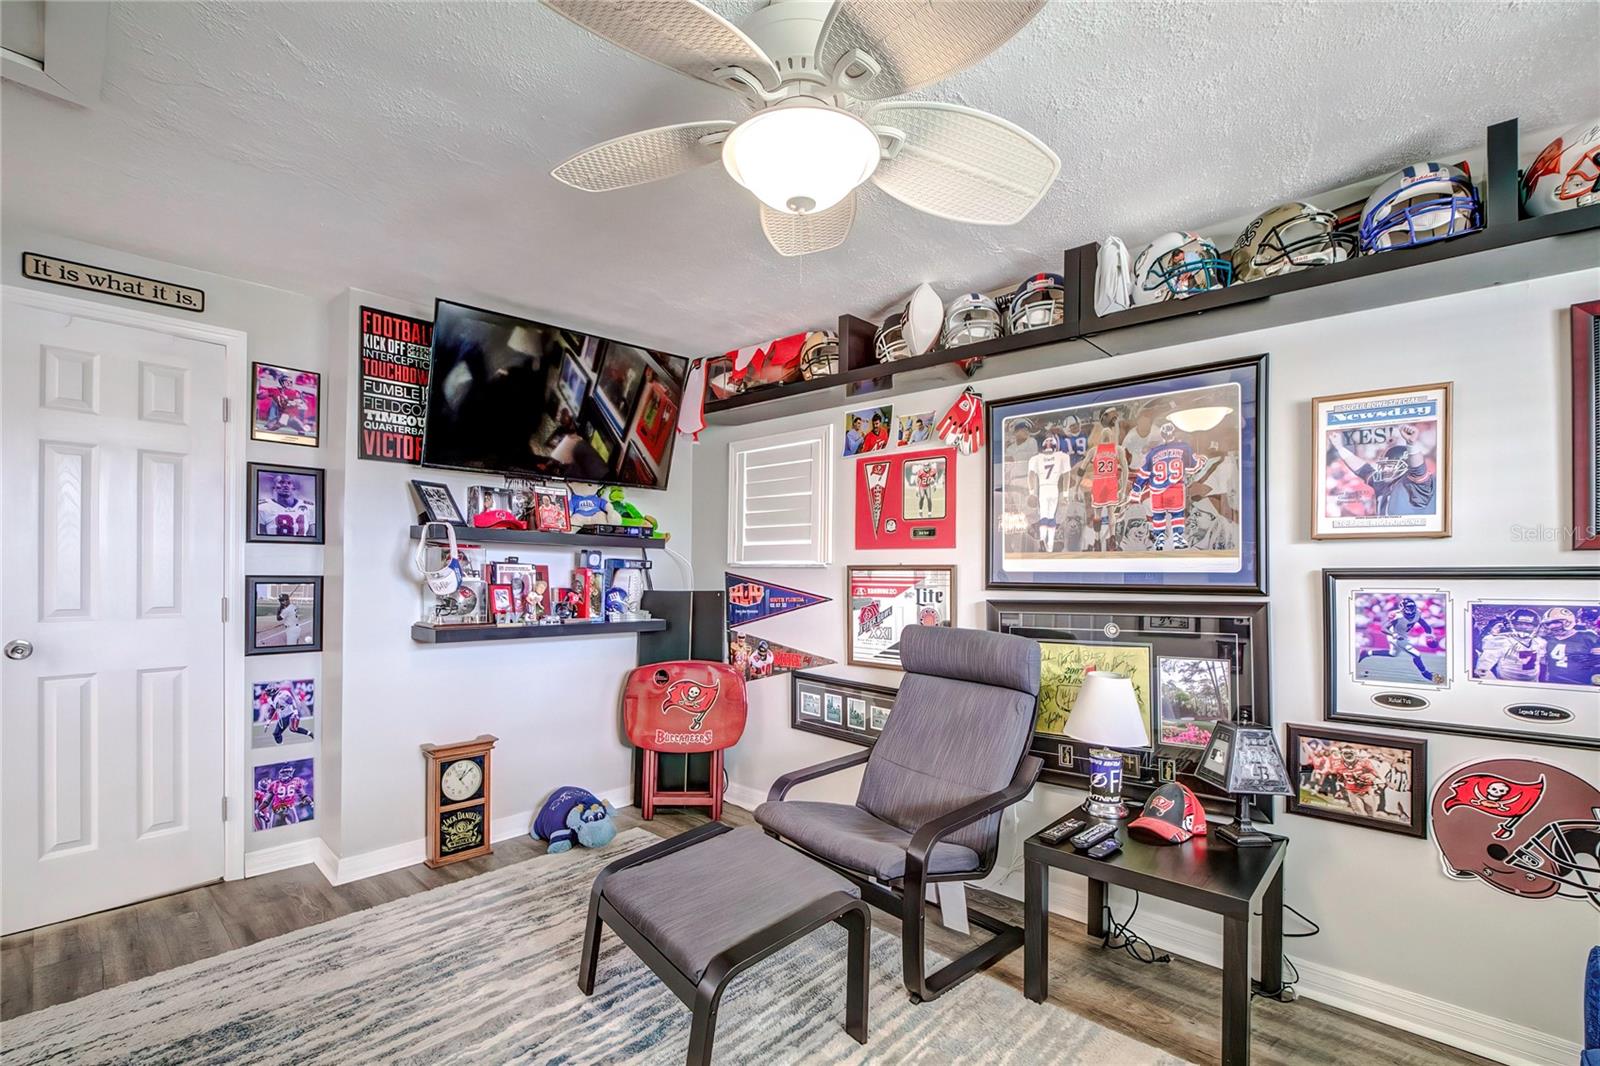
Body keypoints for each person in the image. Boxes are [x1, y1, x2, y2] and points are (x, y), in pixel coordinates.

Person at [1126, 418, 1207, 551]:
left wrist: (1136, 490)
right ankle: (1177, 538)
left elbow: (1144, 473)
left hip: (1157, 490)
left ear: (1162, 435)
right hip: (1175, 488)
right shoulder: (1183, 447)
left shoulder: (1153, 452)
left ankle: (1159, 538)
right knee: (1177, 514)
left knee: (1158, 516)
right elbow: (1192, 467)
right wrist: (1201, 460)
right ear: (1174, 433)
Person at [1325, 424, 1436, 517]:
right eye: (1384, 465)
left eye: (1390, 465)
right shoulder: (1382, 483)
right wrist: (1340, 448)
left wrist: (1411, 444)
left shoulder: (1415, 485)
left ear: (1405, 466)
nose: (1385, 469)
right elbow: (1363, 469)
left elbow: (1418, 467)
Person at [1358, 597, 1442, 683]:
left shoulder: (1417, 613)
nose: (1411, 610)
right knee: (1416, 654)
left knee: (1393, 653)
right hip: (1395, 635)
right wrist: (1393, 634)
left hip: (1402, 635)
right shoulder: (1398, 616)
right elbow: (1383, 628)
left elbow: (1425, 625)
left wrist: (1430, 636)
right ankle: (1425, 673)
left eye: (1412, 607)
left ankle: (1367, 653)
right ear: (1402, 608)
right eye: (1408, 607)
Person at [1539, 607, 1600, 686]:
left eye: (1556, 622)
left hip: (1582, 684)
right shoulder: (1547, 640)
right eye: (1548, 624)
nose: (1552, 626)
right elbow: (1544, 663)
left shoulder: (1588, 636)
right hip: (1554, 683)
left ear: (1568, 621)